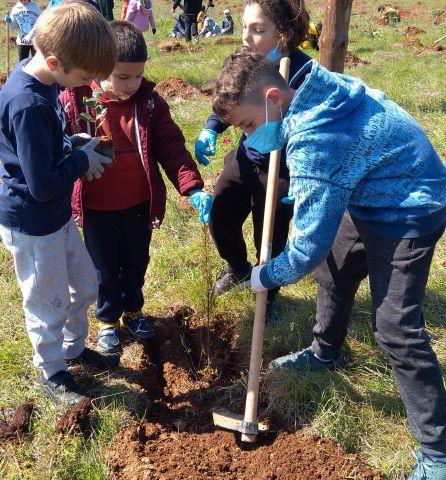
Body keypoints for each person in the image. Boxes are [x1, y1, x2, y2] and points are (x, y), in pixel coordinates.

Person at [212, 47, 446, 480]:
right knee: (335, 270)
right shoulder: (305, 87)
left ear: (273, 98)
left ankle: (437, 451)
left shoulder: (315, 139)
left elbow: (306, 247)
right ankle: (324, 352)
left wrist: (268, 275)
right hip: (368, 187)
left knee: (395, 327)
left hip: (410, 204)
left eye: (248, 124)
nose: (248, 138)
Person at [60, 21, 212, 354]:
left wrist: (192, 186)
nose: (131, 84)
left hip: (139, 204)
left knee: (136, 262)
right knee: (104, 268)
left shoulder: (150, 104)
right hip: (97, 207)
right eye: (122, 77)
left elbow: (172, 147)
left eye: (138, 76)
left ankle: (133, 311)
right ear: (100, 69)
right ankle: (109, 320)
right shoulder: (77, 102)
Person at [0, 1, 120, 405]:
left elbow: (50, 149)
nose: (84, 86)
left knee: (85, 283)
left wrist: (74, 145)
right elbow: (43, 184)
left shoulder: (48, 82)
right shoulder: (28, 104)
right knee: (47, 300)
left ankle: (71, 349)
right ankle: (50, 372)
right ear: (54, 61)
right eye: (83, 77)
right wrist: (80, 162)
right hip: (33, 223)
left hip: (56, 217)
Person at [194, 0, 310, 324]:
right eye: (244, 27)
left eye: (258, 29)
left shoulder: (302, 72)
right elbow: (229, 98)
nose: (246, 36)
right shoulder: (247, 62)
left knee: (269, 236)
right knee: (220, 213)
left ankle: (267, 295)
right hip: (247, 156)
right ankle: (237, 267)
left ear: (284, 32)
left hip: (281, 169)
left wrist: (303, 178)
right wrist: (211, 128)